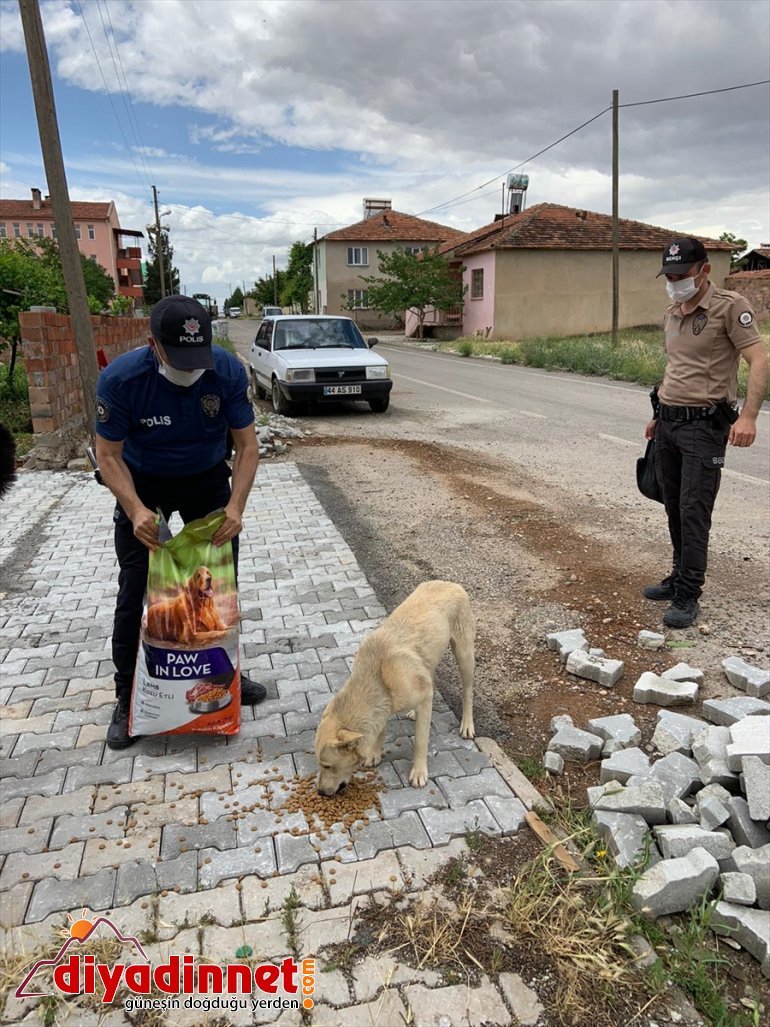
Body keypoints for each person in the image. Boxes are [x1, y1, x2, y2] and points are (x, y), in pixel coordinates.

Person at [95, 295, 266, 749]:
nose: (190, 370)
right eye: (180, 359)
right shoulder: (122, 380)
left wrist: (235, 508)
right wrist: (134, 509)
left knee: (218, 586)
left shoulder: (225, 371)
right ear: (154, 345)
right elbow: (107, 456)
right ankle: (127, 695)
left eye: (198, 359)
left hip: (206, 479)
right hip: (142, 481)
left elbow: (247, 448)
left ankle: (222, 677)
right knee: (137, 586)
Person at [644, 238, 768, 628]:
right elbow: (675, 368)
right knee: (671, 504)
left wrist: (748, 417)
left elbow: (759, 359)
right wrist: (658, 413)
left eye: (682, 275)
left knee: (694, 511)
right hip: (668, 423)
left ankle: (689, 592)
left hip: (703, 427)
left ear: (704, 270)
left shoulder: (730, 307)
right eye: (670, 276)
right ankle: (678, 574)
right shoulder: (673, 311)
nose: (675, 282)